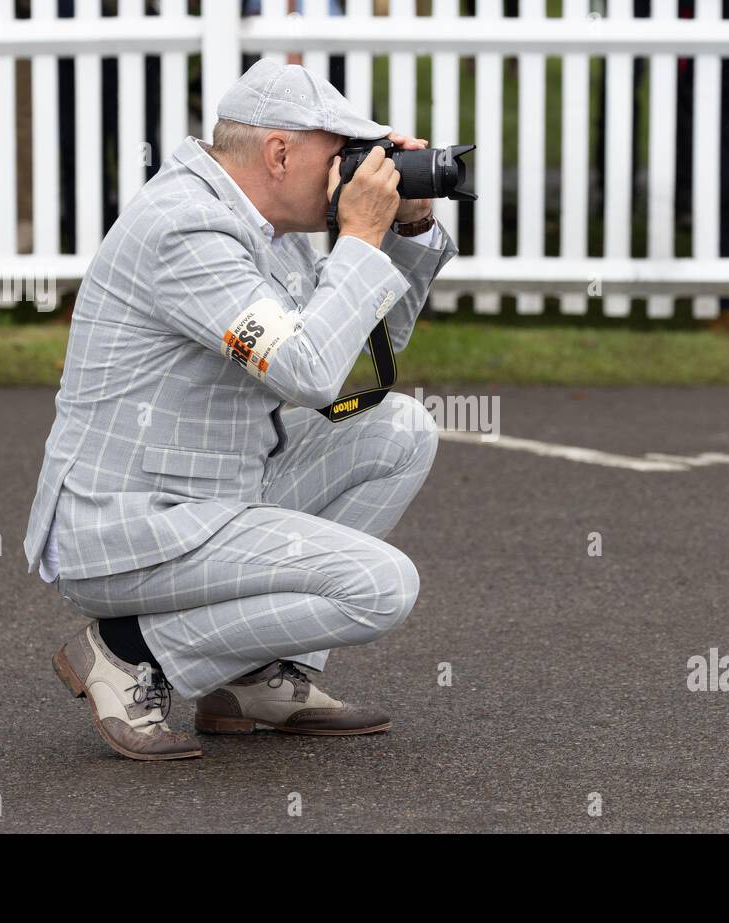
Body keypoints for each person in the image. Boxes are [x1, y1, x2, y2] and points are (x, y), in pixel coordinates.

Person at [23, 58, 457, 761]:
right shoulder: (186, 230)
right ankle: (129, 650)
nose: (355, 169)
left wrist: (403, 234)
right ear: (280, 152)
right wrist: (357, 238)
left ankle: (252, 680)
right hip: (131, 522)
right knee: (381, 586)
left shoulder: (268, 230)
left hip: (218, 495)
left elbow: (355, 352)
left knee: (400, 429)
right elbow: (310, 372)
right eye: (341, 152)